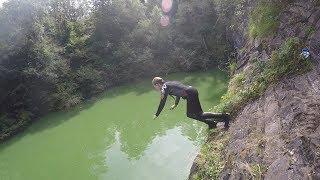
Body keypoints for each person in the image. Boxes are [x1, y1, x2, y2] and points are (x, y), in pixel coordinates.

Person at [152, 77, 230, 129]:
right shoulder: (169, 83)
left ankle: (223, 117)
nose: (155, 88)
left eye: (155, 86)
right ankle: (212, 123)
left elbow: (162, 102)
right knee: (198, 113)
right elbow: (177, 94)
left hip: (190, 94)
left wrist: (157, 114)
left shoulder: (164, 88)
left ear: (157, 84)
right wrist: (175, 104)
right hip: (192, 90)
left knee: (193, 114)